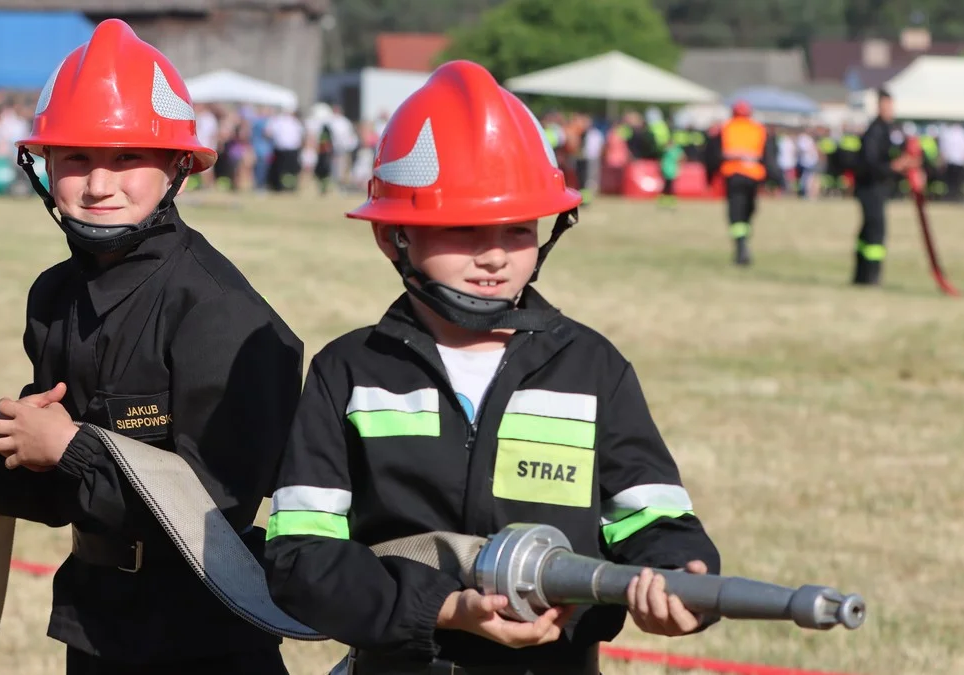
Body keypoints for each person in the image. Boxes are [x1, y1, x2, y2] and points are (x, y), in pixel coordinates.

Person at [264, 60, 720, 675]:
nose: (496, 257)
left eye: (517, 227)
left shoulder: (591, 369)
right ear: (393, 237)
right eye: (463, 228)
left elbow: (655, 517)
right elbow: (301, 558)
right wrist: (444, 609)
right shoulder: (348, 373)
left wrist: (679, 572)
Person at [0, 19, 303, 674]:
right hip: (97, 627)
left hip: (206, 641)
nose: (99, 184)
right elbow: (46, 491)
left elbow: (212, 509)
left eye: (126, 158)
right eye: (76, 159)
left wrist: (67, 451)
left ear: (179, 165)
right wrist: (6, 445)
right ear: (44, 168)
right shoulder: (55, 296)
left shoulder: (223, 314)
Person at [852, 89, 918, 286]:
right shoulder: (874, 131)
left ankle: (862, 276)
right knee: (875, 231)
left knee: (868, 230)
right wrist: (896, 166)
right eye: (886, 105)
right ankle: (871, 277)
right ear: (879, 106)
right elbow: (871, 164)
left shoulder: (891, 130)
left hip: (880, 188)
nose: (890, 110)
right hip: (869, 187)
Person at [705, 100, 775, 266]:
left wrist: (709, 178)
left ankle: (741, 245)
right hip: (753, 176)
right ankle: (744, 243)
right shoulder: (759, 129)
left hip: (733, 175)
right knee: (748, 211)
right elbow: (769, 157)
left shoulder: (724, 128)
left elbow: (712, 156)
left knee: (736, 212)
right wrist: (773, 180)